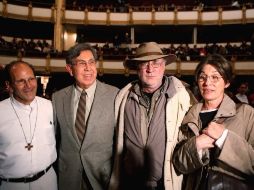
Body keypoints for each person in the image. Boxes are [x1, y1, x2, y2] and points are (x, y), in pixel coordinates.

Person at [109, 42, 195, 190]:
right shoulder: (123, 97)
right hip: (130, 184)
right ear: (137, 68)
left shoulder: (183, 96)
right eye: (144, 64)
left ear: (163, 66)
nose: (150, 69)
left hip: (166, 183)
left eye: (156, 63)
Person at [172, 54, 254, 190]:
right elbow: (178, 165)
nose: (207, 83)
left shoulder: (246, 113)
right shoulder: (188, 117)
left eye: (215, 77)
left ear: (227, 82)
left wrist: (224, 138)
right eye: (202, 77)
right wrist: (196, 145)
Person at [52, 43, 119, 190]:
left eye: (91, 62)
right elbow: (55, 139)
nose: (88, 68)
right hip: (68, 177)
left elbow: (120, 141)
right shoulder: (57, 98)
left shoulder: (115, 95)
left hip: (102, 178)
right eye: (82, 63)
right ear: (70, 69)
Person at [0, 61, 57, 190]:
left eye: (31, 79)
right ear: (9, 85)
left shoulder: (50, 106)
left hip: (47, 180)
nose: (28, 86)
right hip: (11, 185)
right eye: (21, 81)